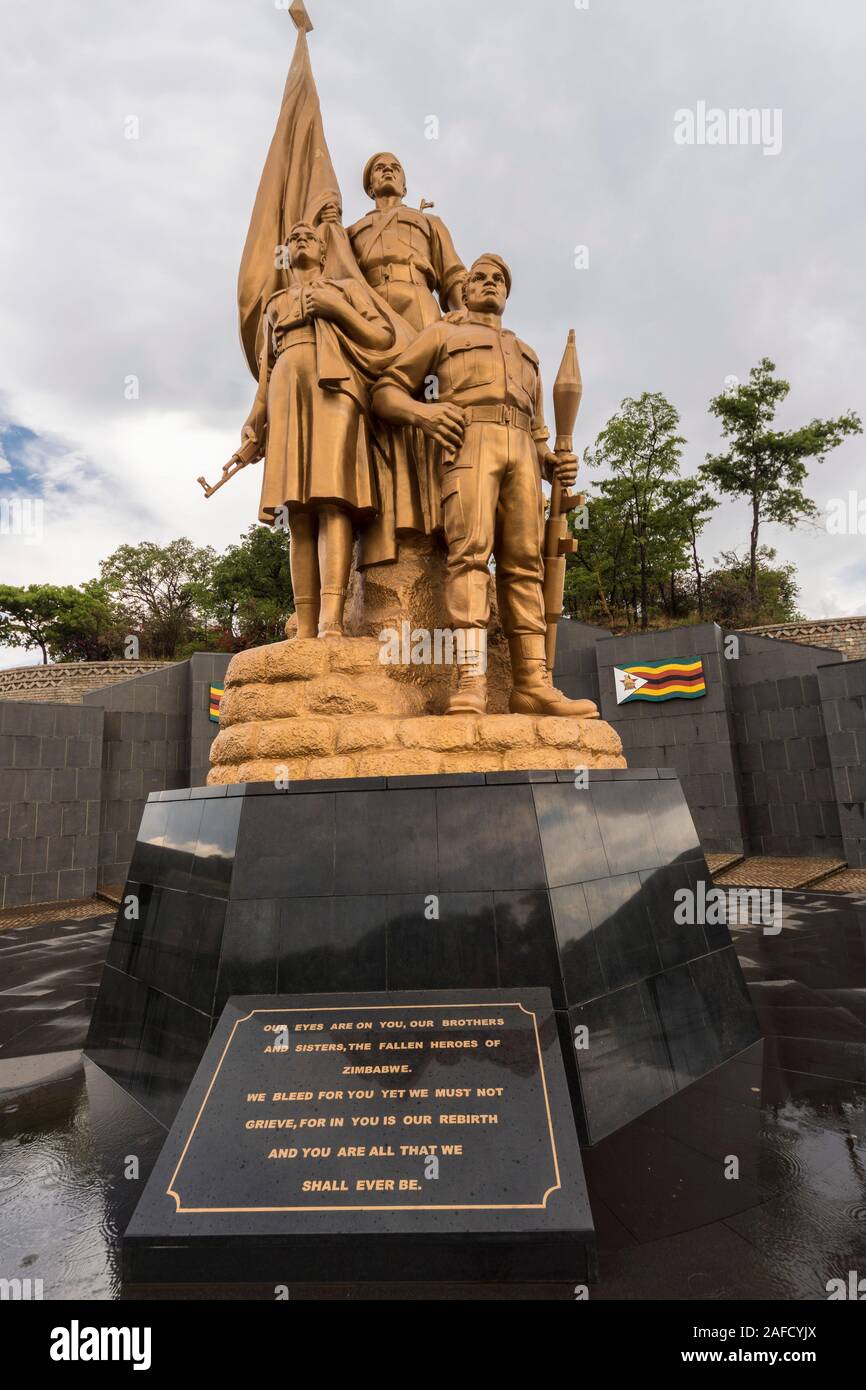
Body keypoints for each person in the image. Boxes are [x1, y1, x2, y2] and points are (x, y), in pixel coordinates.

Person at [372, 253, 599, 718]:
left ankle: (532, 684)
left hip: (520, 450)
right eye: (480, 277)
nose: (489, 283)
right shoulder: (442, 334)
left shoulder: (527, 354)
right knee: (470, 557)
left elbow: (538, 433)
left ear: (507, 294)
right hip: (470, 443)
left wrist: (553, 465)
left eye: (499, 279)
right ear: (466, 288)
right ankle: (470, 679)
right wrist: (426, 413)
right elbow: (385, 392)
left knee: (525, 567)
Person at [240, 222, 395, 638]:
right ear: (286, 253)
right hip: (286, 394)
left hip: (336, 389)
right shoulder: (274, 304)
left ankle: (332, 619)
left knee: (333, 499)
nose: (300, 239)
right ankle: (306, 625)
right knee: (298, 510)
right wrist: (256, 419)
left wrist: (335, 309)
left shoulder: (346, 290)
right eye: (293, 238)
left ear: (325, 254)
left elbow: (384, 337)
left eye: (309, 236)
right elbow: (266, 369)